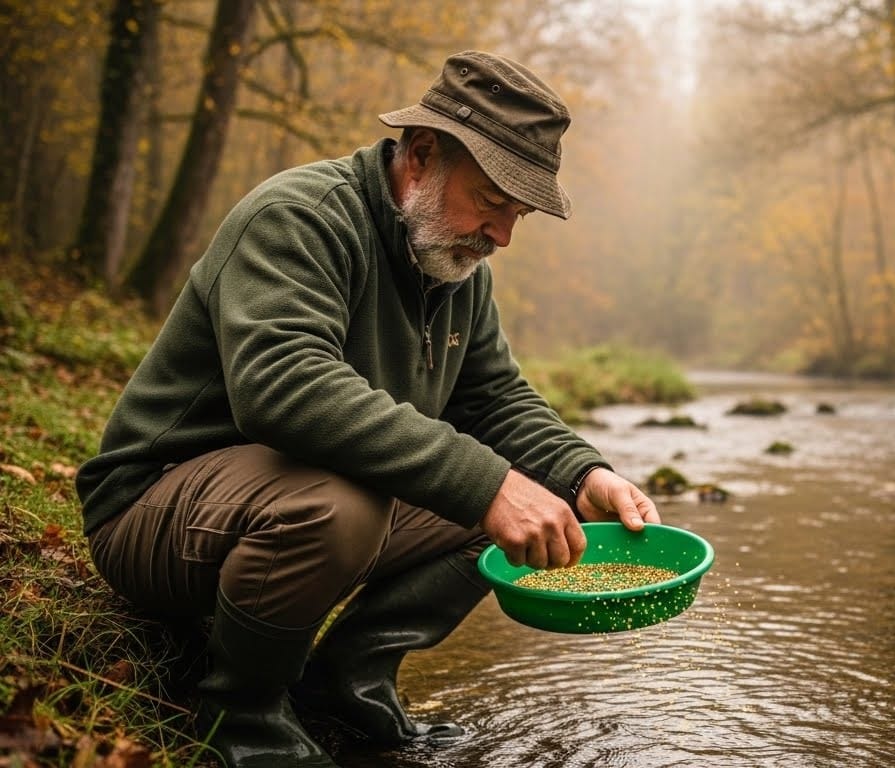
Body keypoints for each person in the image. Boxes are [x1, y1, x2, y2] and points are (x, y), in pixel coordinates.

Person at [76, 50, 661, 768]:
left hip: (289, 501)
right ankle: (242, 717)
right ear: (420, 155)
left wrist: (581, 474)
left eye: (518, 213)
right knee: (369, 499)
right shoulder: (297, 217)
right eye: (491, 201)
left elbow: (493, 398)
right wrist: (487, 484)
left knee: (520, 504)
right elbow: (282, 386)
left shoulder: (452, 260)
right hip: (153, 510)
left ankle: (344, 687)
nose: (502, 234)